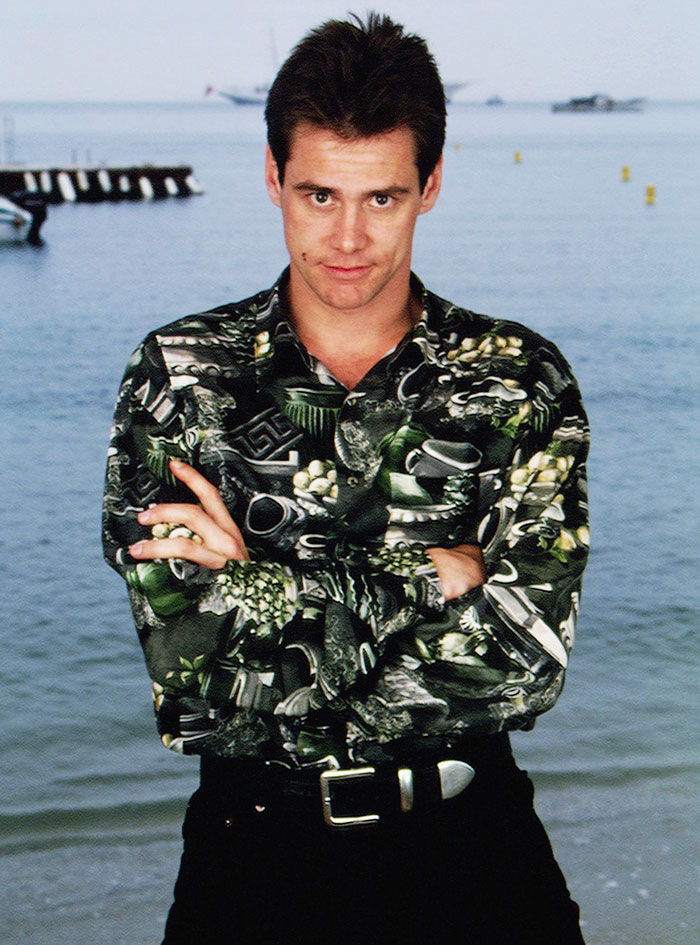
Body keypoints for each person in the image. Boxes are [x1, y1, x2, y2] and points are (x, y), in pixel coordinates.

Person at [103, 12, 590, 944]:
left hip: (475, 853)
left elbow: (525, 672)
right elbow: (192, 670)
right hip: (253, 860)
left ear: (431, 186)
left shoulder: (519, 380)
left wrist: (255, 585)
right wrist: (443, 576)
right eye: (319, 196)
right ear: (273, 176)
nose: (349, 238)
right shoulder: (179, 375)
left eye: (383, 199)